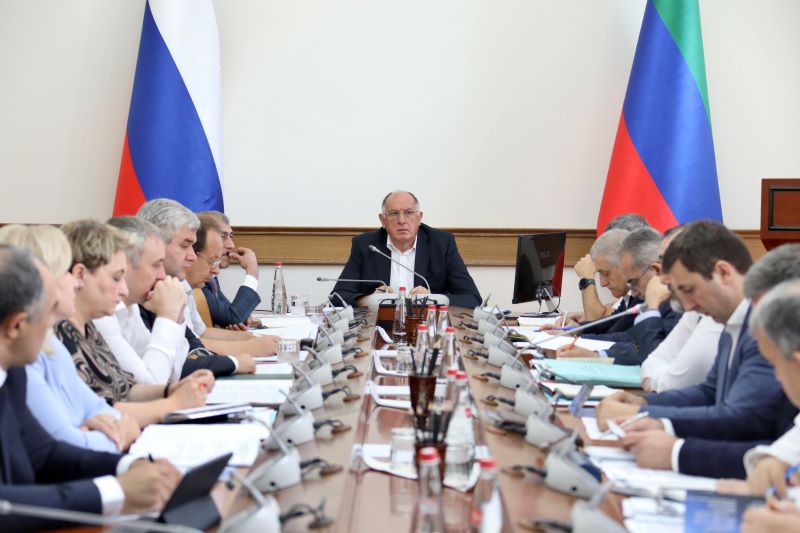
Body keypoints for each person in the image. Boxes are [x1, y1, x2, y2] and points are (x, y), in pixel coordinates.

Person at [0, 244, 181, 531]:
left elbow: (44, 453)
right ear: (16, 326)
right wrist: (117, 492)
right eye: (48, 313)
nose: (52, 329)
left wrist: (128, 466)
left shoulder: (13, 375)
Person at [596, 221, 797, 478]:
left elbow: (745, 419)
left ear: (723, 273)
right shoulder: (729, 319)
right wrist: (644, 403)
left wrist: (670, 446)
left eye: (689, 290)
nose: (688, 306)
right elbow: (709, 392)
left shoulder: (763, 326)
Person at [54, 220, 213, 428]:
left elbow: (128, 388)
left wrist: (172, 390)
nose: (124, 290)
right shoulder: (58, 334)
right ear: (80, 275)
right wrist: (173, 403)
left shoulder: (88, 327)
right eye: (116, 277)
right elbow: (95, 413)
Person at [0, 224, 139, 453]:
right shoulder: (23, 362)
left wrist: (98, 427)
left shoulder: (51, 344)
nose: (76, 281)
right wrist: (121, 433)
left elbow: (99, 408)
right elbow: (63, 445)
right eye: (66, 271)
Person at [136, 199, 276, 359]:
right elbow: (186, 349)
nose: (191, 256)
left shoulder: (175, 285)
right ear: (156, 243)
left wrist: (252, 339)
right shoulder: (145, 294)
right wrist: (248, 349)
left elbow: (198, 335)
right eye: (185, 245)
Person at [332, 191, 481, 308]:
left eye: (409, 213)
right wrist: (370, 300)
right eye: (394, 213)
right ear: (383, 220)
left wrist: (432, 299)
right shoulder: (366, 246)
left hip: (427, 326)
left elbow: (472, 298)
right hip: (379, 326)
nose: (402, 221)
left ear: (419, 217)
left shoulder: (441, 244)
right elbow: (337, 297)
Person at [557, 227, 681, 365]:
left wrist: (596, 355)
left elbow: (653, 352)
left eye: (633, 282)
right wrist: (576, 332)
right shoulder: (644, 291)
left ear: (656, 270)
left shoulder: (680, 305)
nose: (632, 292)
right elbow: (628, 335)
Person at [93, 216, 189, 384]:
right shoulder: (100, 315)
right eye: (156, 264)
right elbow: (149, 385)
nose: (162, 275)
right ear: (125, 264)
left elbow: (172, 376)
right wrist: (168, 315)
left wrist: (177, 316)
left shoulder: (132, 308)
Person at [199, 211, 261, 329]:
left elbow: (232, 315)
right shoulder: (198, 279)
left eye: (231, 236)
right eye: (223, 236)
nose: (231, 245)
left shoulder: (212, 278)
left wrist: (242, 316)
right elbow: (233, 318)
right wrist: (252, 272)